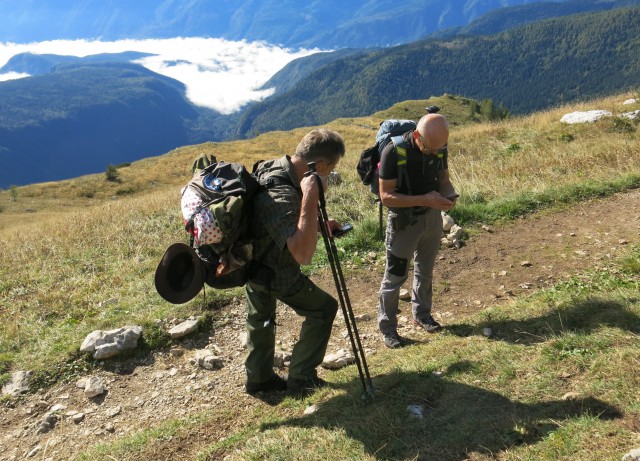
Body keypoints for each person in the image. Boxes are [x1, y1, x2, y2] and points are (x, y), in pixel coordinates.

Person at [243, 128, 346, 396]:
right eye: (330, 169)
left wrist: (321, 225)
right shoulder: (281, 192)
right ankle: (301, 379)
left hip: (253, 263)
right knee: (323, 309)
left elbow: (285, 222)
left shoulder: (279, 167)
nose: (329, 175)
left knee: (261, 318)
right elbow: (303, 254)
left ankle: (259, 380)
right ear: (320, 165)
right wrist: (311, 194)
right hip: (276, 269)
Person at [377, 114, 457, 348]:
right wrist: (426, 199)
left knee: (425, 270)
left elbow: (443, 180)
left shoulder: (438, 147)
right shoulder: (393, 152)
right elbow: (386, 197)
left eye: (439, 148)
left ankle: (422, 315)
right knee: (394, 277)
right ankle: (388, 329)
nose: (435, 153)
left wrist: (449, 196)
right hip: (404, 223)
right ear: (416, 136)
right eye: (430, 148)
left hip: (432, 219)